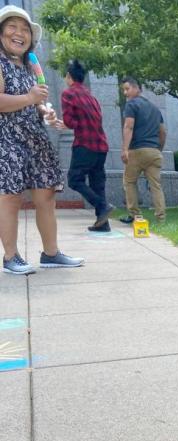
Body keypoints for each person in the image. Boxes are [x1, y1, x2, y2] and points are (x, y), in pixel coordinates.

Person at [0, 6, 84, 274]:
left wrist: (46, 112)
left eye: (25, 29)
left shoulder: (27, 66)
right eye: (12, 27)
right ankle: (11, 257)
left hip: (34, 138)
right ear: (1, 33)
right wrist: (30, 98)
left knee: (46, 195)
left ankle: (51, 253)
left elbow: (35, 101)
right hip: (7, 139)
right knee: (10, 198)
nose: (19, 33)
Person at [58, 59, 112, 232]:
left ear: (69, 76)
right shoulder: (92, 97)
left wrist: (62, 123)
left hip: (84, 144)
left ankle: (101, 205)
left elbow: (69, 121)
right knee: (98, 183)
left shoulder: (68, 93)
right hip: (101, 145)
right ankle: (103, 224)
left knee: (74, 180)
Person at [119, 76, 167, 224]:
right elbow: (163, 132)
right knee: (156, 186)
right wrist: (159, 149)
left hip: (137, 151)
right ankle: (161, 218)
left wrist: (125, 149)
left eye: (127, 89)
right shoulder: (154, 109)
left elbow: (129, 126)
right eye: (124, 90)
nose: (125, 93)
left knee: (129, 182)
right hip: (154, 151)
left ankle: (135, 215)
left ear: (137, 88)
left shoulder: (131, 105)